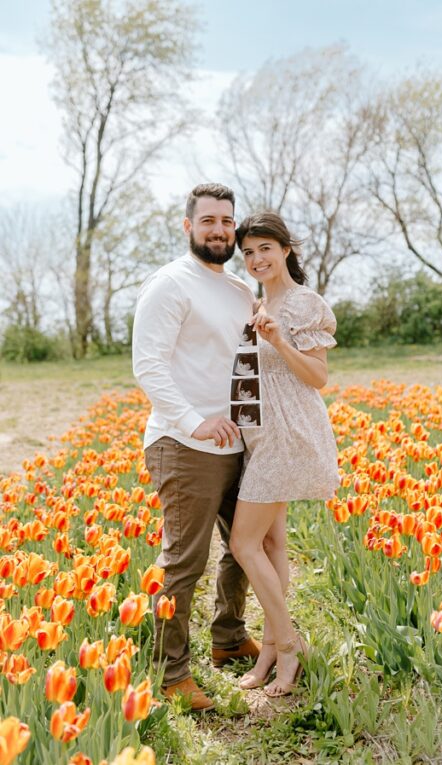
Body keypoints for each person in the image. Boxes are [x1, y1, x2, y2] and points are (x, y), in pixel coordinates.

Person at [132, 183, 263, 713]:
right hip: (184, 444)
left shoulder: (236, 289)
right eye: (208, 220)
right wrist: (192, 420)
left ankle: (228, 637)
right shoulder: (169, 284)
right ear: (188, 226)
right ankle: (171, 675)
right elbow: (149, 366)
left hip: (238, 442)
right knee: (185, 561)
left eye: (227, 221)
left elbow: (246, 365)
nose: (219, 230)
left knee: (245, 548)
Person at [227, 211, 340, 696]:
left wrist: (278, 339)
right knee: (271, 545)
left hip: (290, 433)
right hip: (260, 435)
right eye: (248, 252)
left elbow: (318, 378)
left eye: (264, 248)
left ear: (286, 249)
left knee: (242, 545)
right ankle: (271, 648)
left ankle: (289, 647)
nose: (256, 259)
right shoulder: (254, 303)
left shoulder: (302, 304)